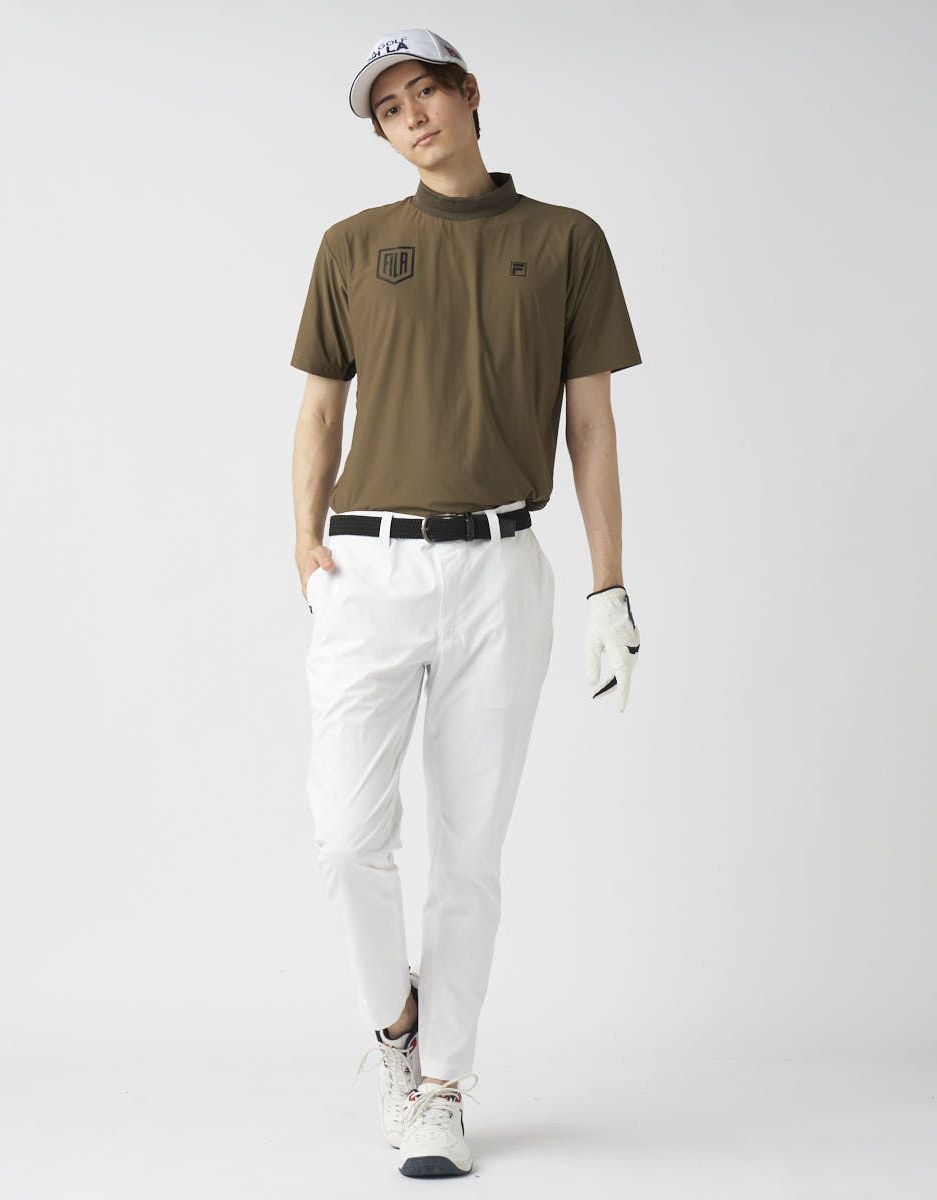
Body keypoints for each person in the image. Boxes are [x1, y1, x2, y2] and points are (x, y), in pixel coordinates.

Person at [289, 27, 643, 1178]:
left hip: (500, 567)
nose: (412, 117)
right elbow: (319, 412)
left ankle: (440, 1086)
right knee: (347, 837)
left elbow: (589, 423)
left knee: (469, 849)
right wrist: (305, 551)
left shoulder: (565, 239)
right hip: (369, 569)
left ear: (467, 91)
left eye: (424, 91)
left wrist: (608, 584)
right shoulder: (352, 246)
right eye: (389, 109)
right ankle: (395, 1026)